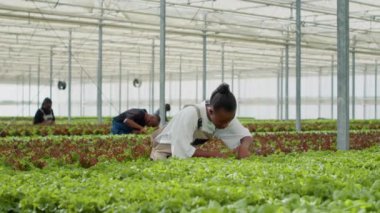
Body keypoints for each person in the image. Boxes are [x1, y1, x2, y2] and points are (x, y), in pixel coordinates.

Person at [150, 83, 252, 160]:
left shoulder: (223, 117)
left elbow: (245, 135)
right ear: (211, 111)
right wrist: (216, 155)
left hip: (185, 157)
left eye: (229, 121)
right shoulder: (191, 114)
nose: (226, 125)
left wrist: (244, 147)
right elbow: (181, 150)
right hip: (164, 153)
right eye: (222, 122)